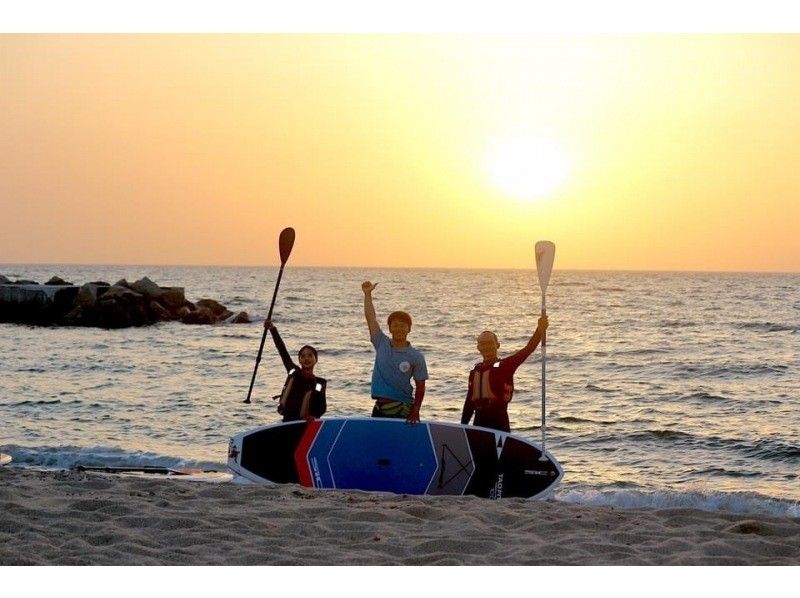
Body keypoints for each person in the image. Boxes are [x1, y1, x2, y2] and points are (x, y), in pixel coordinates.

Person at [460, 315, 549, 433]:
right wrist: (462, 428)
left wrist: (540, 330)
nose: (487, 347)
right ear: (478, 347)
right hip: (479, 426)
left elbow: (527, 350)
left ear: (497, 345)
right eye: (483, 344)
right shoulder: (475, 372)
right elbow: (469, 405)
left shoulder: (505, 366)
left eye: (490, 343)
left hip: (499, 425)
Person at [361, 281, 428, 424]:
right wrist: (367, 294)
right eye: (395, 325)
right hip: (379, 407)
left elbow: (420, 387)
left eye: (403, 326)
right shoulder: (381, 343)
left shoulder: (416, 357)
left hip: (402, 408)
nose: (399, 329)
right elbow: (370, 318)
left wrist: (416, 411)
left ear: (409, 329)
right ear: (390, 328)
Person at [263, 319, 327, 422]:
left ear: (316, 359)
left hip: (305, 422)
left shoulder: (320, 383)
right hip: (288, 419)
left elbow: (322, 406)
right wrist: (272, 329)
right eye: (303, 356)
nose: (306, 359)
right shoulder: (294, 372)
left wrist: (314, 416)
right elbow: (282, 351)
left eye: (310, 355)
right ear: (299, 360)